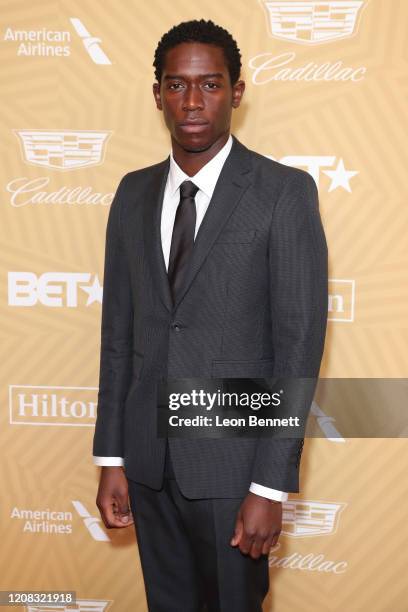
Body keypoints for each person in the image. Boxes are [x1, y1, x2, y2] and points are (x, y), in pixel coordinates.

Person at [93, 19, 328, 612]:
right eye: (176, 85)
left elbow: (298, 345)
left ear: (237, 93)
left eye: (210, 85)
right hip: (147, 465)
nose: (192, 101)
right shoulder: (131, 193)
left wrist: (269, 484)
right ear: (157, 95)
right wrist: (113, 457)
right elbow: (117, 336)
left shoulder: (283, 192)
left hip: (235, 468)